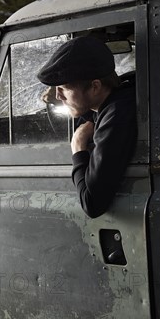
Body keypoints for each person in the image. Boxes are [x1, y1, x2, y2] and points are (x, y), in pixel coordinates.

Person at [37, 35, 137, 218]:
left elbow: (92, 203)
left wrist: (78, 147)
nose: (58, 96)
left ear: (95, 87)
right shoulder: (118, 97)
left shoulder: (116, 116)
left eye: (64, 88)